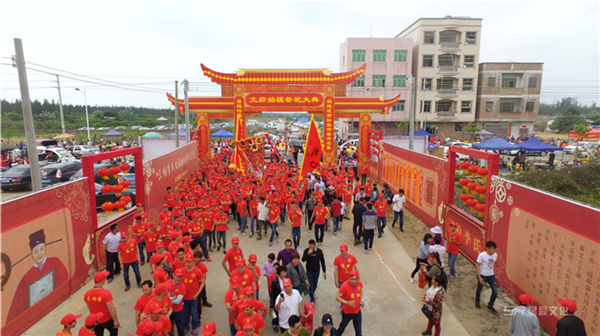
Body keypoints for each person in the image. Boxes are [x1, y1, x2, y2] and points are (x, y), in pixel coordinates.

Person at [83, 271, 120, 336]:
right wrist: (115, 320)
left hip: (96, 321)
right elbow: (111, 308)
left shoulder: (87, 294)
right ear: (103, 280)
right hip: (107, 319)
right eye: (105, 278)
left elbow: (89, 306)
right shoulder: (106, 293)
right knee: (114, 331)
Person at [181, 254, 205, 336]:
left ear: (193, 261)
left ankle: (194, 328)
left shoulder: (197, 271)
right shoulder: (182, 271)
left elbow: (203, 282)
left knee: (194, 314)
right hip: (184, 298)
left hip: (193, 298)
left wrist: (197, 294)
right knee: (185, 314)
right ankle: (186, 327)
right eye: (187, 261)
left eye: (190, 261)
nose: (188, 263)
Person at [475, 241, 499, 315]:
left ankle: (490, 305)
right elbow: (478, 265)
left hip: (491, 275)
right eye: (492, 249)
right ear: (488, 248)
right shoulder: (482, 255)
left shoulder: (495, 255)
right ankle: (477, 301)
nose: (494, 251)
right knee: (480, 289)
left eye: (494, 249)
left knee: (495, 291)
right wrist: (479, 277)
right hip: (483, 275)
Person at [336, 271, 362, 336]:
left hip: (357, 312)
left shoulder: (360, 284)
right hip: (347, 313)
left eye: (356, 279)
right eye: (352, 279)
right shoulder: (344, 286)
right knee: (341, 329)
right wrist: (347, 303)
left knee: (359, 332)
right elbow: (337, 297)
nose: (354, 281)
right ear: (349, 278)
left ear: (358, 279)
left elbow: (360, 291)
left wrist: (361, 300)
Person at [301, 239, 326, 305]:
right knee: (311, 285)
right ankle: (312, 300)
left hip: (317, 271)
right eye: (309, 246)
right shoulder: (306, 251)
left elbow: (322, 261)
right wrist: (308, 254)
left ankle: (311, 292)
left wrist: (324, 271)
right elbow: (303, 259)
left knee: (315, 284)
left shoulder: (319, 251)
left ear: (315, 245)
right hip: (309, 271)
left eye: (312, 246)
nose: (311, 248)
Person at [269, 266, 288, 333]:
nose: (285, 273)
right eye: (283, 272)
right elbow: (273, 294)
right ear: (280, 273)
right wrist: (272, 305)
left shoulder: (287, 279)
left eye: (285, 272)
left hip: (286, 299)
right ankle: (275, 324)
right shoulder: (275, 281)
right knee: (276, 313)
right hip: (278, 299)